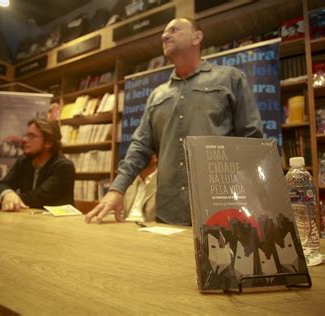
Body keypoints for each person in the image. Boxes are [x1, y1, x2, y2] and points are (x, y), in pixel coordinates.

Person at [85, 18, 263, 225]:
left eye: (174, 30)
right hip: (169, 214)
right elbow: (140, 147)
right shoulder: (157, 95)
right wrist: (116, 190)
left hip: (222, 212)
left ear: (197, 37)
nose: (164, 36)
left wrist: (251, 199)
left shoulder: (230, 79)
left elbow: (251, 141)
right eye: (163, 33)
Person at [0, 118, 75, 211]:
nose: (24, 140)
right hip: (28, 219)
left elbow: (38, 199)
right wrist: (7, 194)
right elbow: (1, 186)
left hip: (56, 223)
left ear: (48, 142)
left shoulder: (64, 166)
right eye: (25, 135)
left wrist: (8, 199)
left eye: (31, 136)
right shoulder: (23, 161)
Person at [123, 155, 158, 222]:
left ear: (154, 158)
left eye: (141, 154)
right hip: (125, 225)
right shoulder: (128, 182)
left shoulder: (164, 182)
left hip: (148, 227)